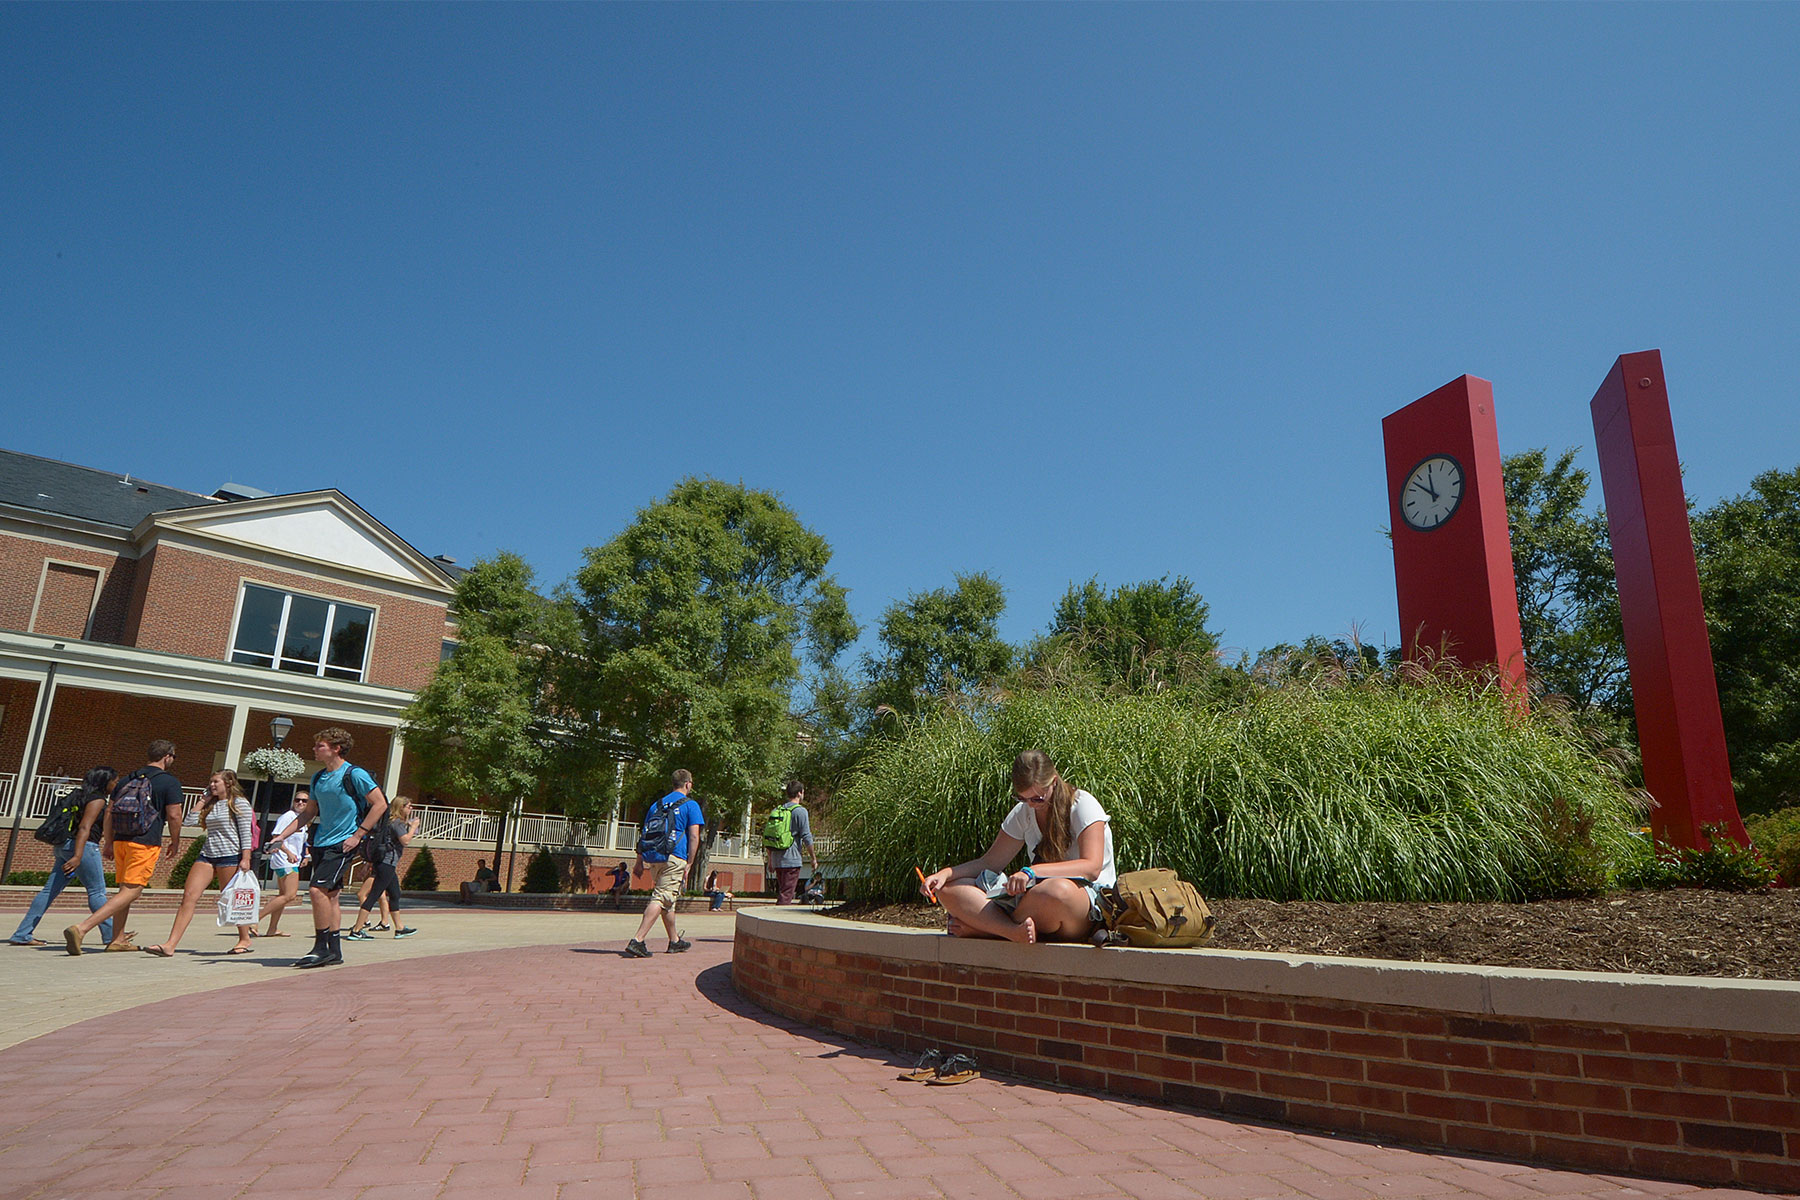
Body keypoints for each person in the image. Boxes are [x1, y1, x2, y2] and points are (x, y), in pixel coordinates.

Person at [919, 749, 1116, 945]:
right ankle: (1012, 931)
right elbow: (990, 862)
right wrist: (944, 874)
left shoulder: (1083, 804)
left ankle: (989, 929)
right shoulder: (1024, 812)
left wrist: (1032, 872)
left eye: (1038, 798)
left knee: (1056, 890)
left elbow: (1091, 867)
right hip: (1034, 901)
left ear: (1054, 782)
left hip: (1085, 903)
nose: (1031, 805)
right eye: (1023, 798)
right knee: (949, 890)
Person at [278, 727, 388, 969]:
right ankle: (334, 952)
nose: (315, 749)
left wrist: (358, 835)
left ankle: (320, 948)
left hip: (343, 843)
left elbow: (379, 804)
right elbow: (309, 812)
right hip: (321, 842)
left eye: (321, 746)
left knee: (317, 891)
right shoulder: (318, 778)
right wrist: (281, 836)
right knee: (331, 897)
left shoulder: (354, 774)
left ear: (336, 748)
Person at [64, 740, 186, 955]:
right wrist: (176, 841)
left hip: (121, 839)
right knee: (133, 890)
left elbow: (110, 812)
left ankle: (117, 939)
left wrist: (109, 842)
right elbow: (175, 815)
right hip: (145, 840)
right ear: (167, 756)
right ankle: (82, 929)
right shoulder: (169, 782)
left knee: (124, 889)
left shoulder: (128, 778)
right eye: (173, 757)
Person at [143, 770, 256, 957]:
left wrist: (246, 858)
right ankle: (170, 944)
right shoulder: (211, 804)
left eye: (216, 782)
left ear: (228, 783)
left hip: (230, 856)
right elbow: (189, 821)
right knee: (189, 896)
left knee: (231, 899)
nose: (212, 785)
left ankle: (244, 937)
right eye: (210, 782)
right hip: (207, 855)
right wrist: (203, 801)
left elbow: (246, 833)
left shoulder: (239, 803)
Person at [10, 767, 116, 947]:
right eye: (114, 780)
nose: (116, 784)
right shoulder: (97, 799)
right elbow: (84, 827)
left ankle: (22, 933)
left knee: (48, 891)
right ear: (104, 781)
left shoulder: (78, 795)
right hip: (83, 848)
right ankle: (112, 936)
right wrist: (77, 856)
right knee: (97, 891)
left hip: (63, 846)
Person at [624, 769, 702, 958]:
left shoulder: (657, 805)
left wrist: (639, 860)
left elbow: (644, 833)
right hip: (675, 857)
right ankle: (638, 940)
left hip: (655, 857)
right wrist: (690, 863)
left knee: (667, 900)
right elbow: (694, 836)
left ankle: (674, 941)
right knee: (660, 898)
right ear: (688, 784)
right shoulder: (690, 805)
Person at [346, 796, 420, 940]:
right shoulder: (397, 822)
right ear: (401, 807)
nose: (411, 809)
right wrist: (413, 828)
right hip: (387, 863)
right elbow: (405, 841)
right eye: (409, 806)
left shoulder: (389, 822)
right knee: (374, 895)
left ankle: (399, 928)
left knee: (395, 894)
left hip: (387, 863)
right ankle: (357, 929)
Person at [262, 788, 312, 937]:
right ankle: (254, 920)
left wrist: (306, 855)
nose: (301, 803)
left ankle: (272, 929)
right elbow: (277, 837)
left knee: (283, 895)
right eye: (298, 800)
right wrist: (288, 853)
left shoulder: (302, 819)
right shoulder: (288, 816)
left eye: (304, 801)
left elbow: (302, 841)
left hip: (292, 860)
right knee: (290, 895)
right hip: (285, 861)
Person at [765, 779, 819, 906]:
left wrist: (771, 860)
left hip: (778, 858)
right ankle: (778, 922)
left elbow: (769, 836)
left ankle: (777, 921)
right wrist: (813, 858)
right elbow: (806, 836)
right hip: (792, 859)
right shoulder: (800, 811)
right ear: (800, 793)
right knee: (786, 895)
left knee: (783, 891)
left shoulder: (777, 810)